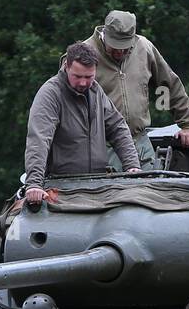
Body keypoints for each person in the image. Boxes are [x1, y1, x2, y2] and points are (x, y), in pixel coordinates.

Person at [24, 42, 141, 207]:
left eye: (89, 77)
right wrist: (34, 184)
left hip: (99, 186)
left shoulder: (95, 91)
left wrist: (132, 166)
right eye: (77, 76)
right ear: (67, 66)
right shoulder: (50, 94)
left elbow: (117, 127)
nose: (83, 83)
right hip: (63, 187)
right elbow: (39, 139)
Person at [83, 10, 189, 171]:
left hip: (140, 142)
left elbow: (165, 85)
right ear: (105, 35)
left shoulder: (144, 48)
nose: (119, 52)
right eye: (115, 47)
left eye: (125, 48)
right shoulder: (84, 54)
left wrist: (186, 123)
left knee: (152, 192)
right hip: (102, 145)